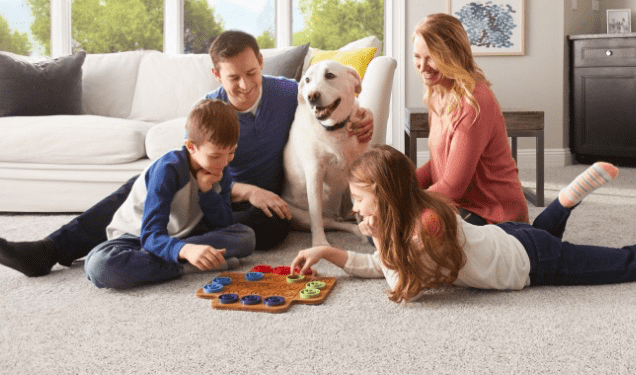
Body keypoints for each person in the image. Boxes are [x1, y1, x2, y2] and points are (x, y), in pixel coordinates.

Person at [0, 30, 374, 277]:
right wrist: (245, 189)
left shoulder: (288, 91)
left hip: (262, 208)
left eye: (251, 72)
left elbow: (327, 107)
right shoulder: (209, 112)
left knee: (270, 227)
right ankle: (51, 248)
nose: (245, 85)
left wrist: (362, 114)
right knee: (142, 184)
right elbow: (193, 171)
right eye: (233, 78)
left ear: (261, 62)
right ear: (216, 75)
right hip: (215, 192)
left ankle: (165, 248)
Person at [291, 145, 636, 303]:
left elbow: (400, 289)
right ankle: (564, 203)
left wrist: (374, 235)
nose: (355, 212)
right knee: (532, 235)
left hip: (531, 260)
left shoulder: (424, 229)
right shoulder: (410, 222)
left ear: (389, 199)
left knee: (631, 262)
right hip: (506, 237)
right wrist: (328, 254)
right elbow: (380, 265)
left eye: (360, 203)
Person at [85, 99, 255, 289]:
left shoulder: (219, 169)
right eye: (215, 155)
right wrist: (185, 250)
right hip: (137, 238)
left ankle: (187, 257)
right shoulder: (167, 170)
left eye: (231, 152)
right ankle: (187, 267)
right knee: (100, 266)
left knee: (245, 236)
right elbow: (150, 236)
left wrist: (206, 192)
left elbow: (223, 224)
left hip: (183, 234)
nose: (224, 163)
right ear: (191, 146)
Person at [412, 13, 529, 225]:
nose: (422, 66)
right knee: (380, 229)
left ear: (454, 55)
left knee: (395, 227)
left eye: (432, 58)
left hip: (493, 216)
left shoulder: (474, 102)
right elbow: (440, 164)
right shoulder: (437, 94)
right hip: (457, 206)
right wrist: (401, 184)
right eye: (417, 57)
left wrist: (400, 200)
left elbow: (451, 188)